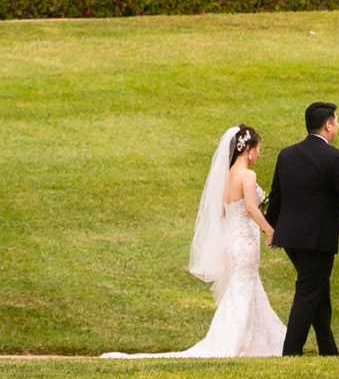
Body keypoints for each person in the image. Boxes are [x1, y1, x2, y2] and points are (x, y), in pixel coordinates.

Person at [102, 124, 287, 358]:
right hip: (244, 244)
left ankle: (244, 336)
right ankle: (237, 341)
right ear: (247, 149)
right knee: (243, 288)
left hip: (232, 241)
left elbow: (222, 212)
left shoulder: (227, 176)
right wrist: (271, 231)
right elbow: (251, 207)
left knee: (241, 288)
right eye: (259, 149)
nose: (259, 154)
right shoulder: (248, 176)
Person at [264, 101, 339, 356]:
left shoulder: (287, 154)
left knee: (318, 290)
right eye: (336, 121)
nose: (338, 125)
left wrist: (271, 229)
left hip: (291, 240)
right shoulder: (335, 158)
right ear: (328, 125)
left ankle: (329, 349)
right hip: (316, 241)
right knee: (308, 293)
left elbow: (277, 195)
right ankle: (291, 353)